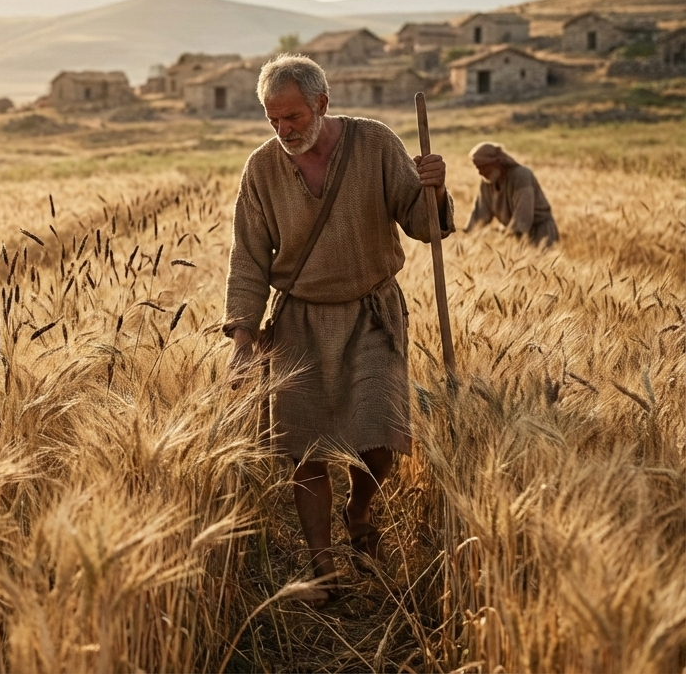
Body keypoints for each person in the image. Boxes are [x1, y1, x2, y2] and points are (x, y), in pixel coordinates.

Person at [223, 55, 453, 604]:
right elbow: (249, 258)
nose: (283, 130)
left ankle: (360, 509)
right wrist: (243, 339)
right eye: (272, 120)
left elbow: (424, 227)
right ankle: (322, 568)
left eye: (293, 118)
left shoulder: (374, 144)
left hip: (372, 313)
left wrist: (434, 191)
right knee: (304, 451)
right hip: (300, 319)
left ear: (322, 104)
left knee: (378, 440)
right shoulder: (261, 170)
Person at [465, 142, 559, 246]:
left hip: (541, 234)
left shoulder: (521, 176)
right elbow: (480, 214)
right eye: (477, 168)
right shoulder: (486, 182)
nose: (480, 172)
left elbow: (523, 213)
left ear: (496, 162)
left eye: (483, 167)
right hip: (513, 234)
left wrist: (508, 237)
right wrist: (468, 236)